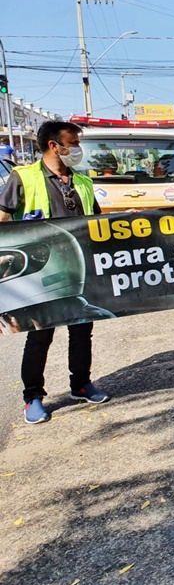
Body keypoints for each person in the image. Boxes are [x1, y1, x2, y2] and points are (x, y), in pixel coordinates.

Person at [0, 121, 110, 424]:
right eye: (73, 143)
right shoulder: (24, 177)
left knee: (82, 330)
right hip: (39, 274)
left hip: (78, 268)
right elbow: (2, 219)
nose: (77, 149)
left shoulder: (82, 182)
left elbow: (96, 223)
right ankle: (33, 397)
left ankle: (81, 385)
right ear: (53, 145)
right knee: (40, 335)